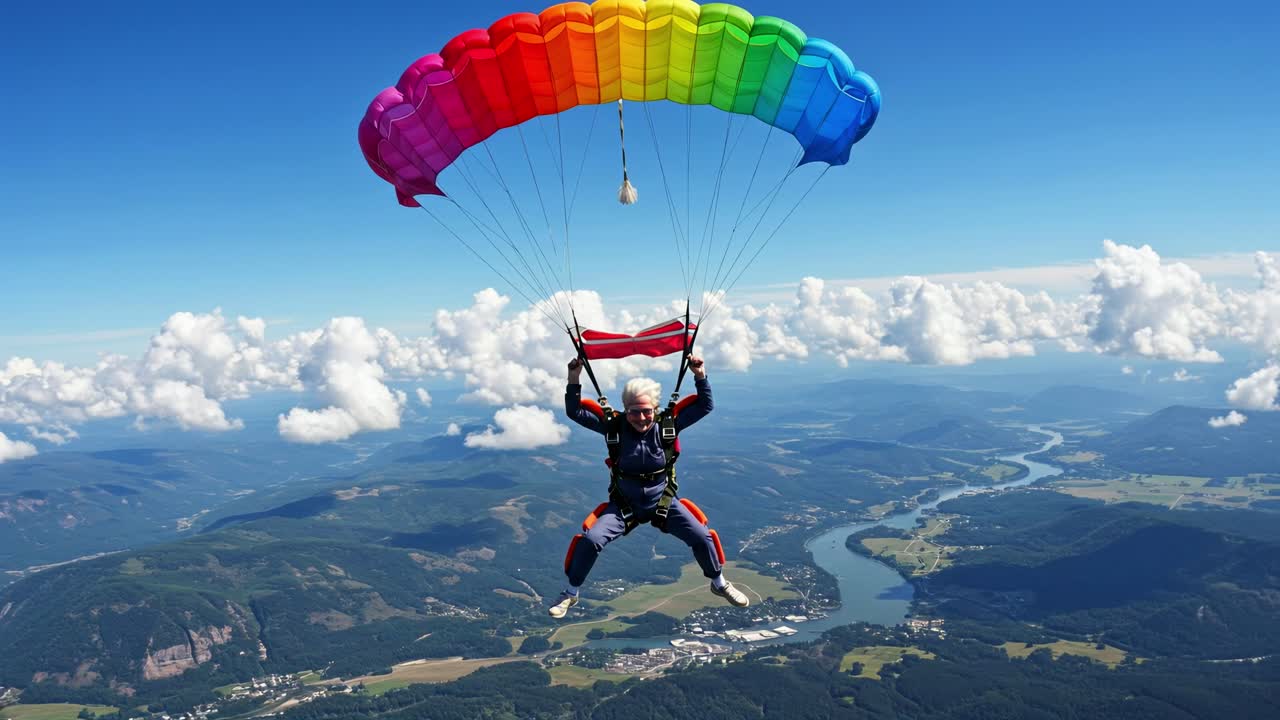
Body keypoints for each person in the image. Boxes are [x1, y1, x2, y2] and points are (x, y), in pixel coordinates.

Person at [548, 354, 749, 618]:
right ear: (624, 409)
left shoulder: (667, 426)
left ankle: (719, 582)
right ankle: (570, 593)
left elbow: (704, 406)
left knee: (701, 536)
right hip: (624, 505)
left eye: (646, 411)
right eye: (633, 411)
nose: (640, 417)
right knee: (591, 540)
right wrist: (574, 377)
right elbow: (575, 411)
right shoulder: (615, 428)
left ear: (655, 409)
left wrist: (700, 373)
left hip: (662, 502)